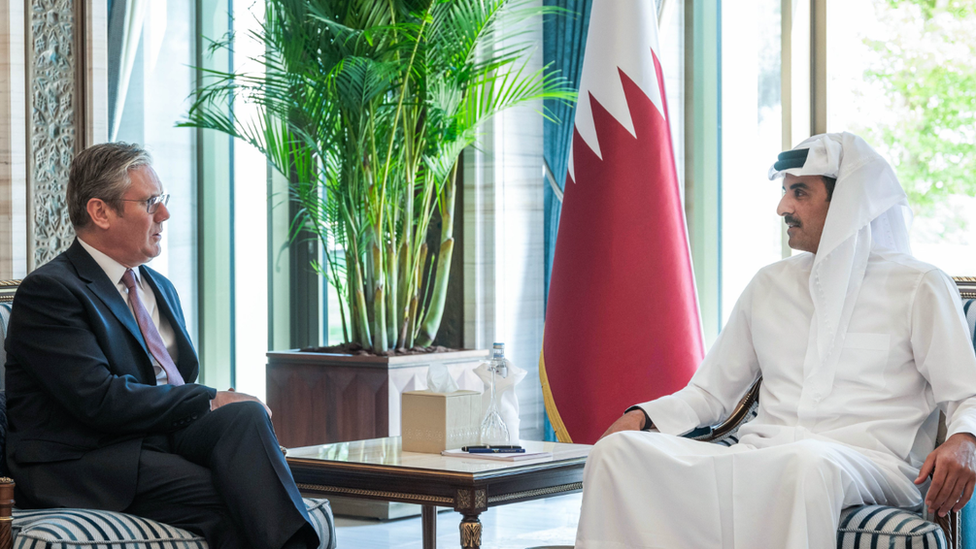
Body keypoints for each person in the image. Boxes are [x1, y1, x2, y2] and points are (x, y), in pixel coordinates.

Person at [574, 132, 976, 548]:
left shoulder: (919, 286)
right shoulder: (768, 284)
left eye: (799, 192)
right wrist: (641, 417)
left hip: (870, 464)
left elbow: (967, 395)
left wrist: (966, 439)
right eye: (785, 192)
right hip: (762, 456)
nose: (783, 207)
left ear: (847, 203)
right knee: (616, 454)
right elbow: (710, 393)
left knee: (806, 465)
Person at [4, 142, 319, 549]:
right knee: (236, 495)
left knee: (247, 416)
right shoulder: (51, 291)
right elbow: (98, 400)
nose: (164, 215)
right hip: (87, 460)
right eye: (151, 202)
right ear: (100, 212)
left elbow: (177, 381)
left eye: (163, 201)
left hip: (157, 440)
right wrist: (209, 397)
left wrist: (227, 403)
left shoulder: (160, 288)